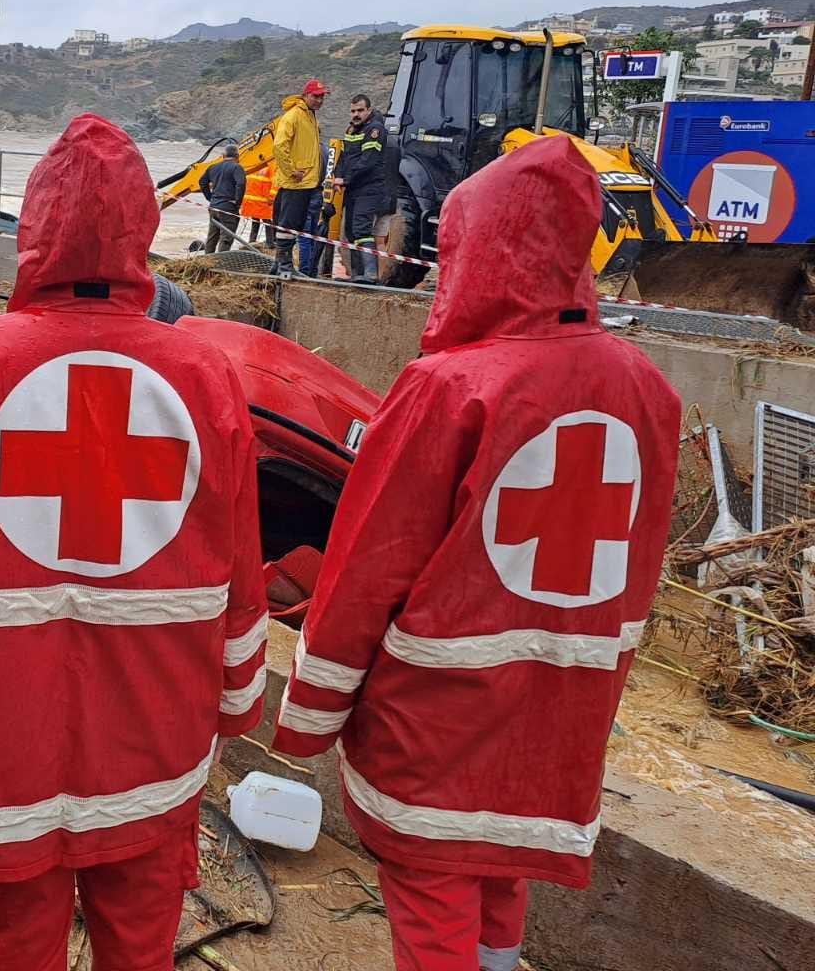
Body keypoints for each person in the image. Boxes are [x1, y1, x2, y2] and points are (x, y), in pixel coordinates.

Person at [0, 114, 268, 971]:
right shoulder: (207, 376)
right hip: (154, 742)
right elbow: (240, 564)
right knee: (141, 945)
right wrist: (236, 700)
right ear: (143, 229)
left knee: (7, 949)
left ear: (34, 229)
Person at [271, 136, 681, 971]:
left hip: (437, 719)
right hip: (561, 715)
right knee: (501, 865)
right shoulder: (648, 388)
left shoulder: (451, 386)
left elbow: (368, 567)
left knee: (433, 886)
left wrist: (310, 714)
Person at [270, 80, 328, 274]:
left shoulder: (310, 116)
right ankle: (284, 265)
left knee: (293, 224)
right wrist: (291, 171)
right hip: (296, 183)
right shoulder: (294, 116)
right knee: (289, 225)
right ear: (305, 95)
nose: (319, 100)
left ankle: (279, 264)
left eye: (322, 97)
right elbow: (279, 146)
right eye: (316, 96)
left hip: (306, 183)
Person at [341, 94, 391, 283]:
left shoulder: (375, 129)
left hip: (370, 188)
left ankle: (370, 274)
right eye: (353, 111)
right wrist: (338, 177)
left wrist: (345, 178)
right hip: (353, 188)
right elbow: (344, 158)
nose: (356, 114)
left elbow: (368, 160)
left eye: (360, 110)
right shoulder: (351, 130)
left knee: (361, 228)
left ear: (369, 110)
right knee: (351, 231)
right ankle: (357, 274)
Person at [198, 142, 246, 253]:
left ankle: (208, 259)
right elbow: (241, 184)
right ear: (237, 156)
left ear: (223, 156)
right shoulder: (237, 167)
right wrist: (237, 202)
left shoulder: (213, 167)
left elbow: (202, 182)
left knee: (212, 236)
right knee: (226, 238)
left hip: (214, 207)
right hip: (228, 208)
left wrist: (210, 198)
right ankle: (221, 261)